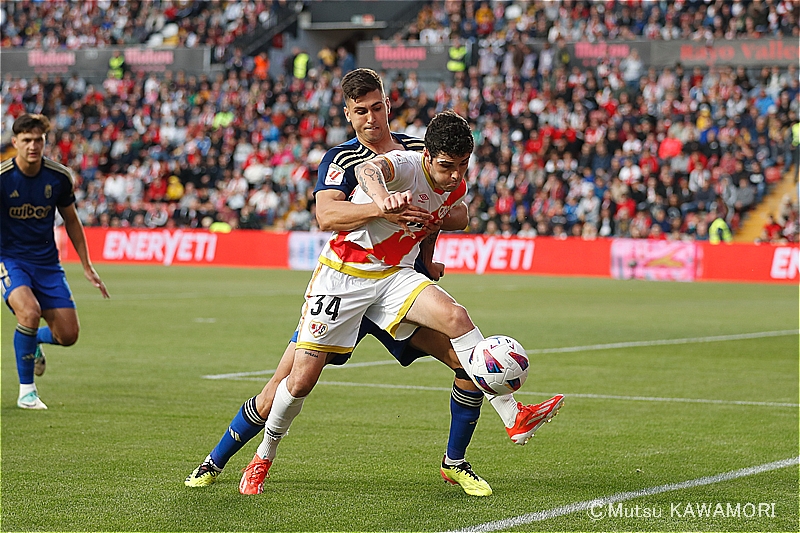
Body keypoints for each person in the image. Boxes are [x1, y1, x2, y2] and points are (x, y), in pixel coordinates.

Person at [185, 70, 562, 497]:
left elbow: (444, 208)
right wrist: (381, 208)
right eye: (360, 111)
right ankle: (230, 459)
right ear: (348, 114)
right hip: (343, 282)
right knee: (292, 383)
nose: (371, 118)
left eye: (377, 107)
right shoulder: (344, 161)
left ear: (388, 104)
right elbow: (328, 216)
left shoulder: (429, 153)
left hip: (394, 282)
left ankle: (469, 451)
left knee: (460, 348)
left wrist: (425, 257)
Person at [1, 114, 110, 410]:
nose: (33, 145)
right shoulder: (2, 178)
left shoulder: (58, 177)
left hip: (47, 264)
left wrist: (86, 265)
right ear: (15, 143)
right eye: (26, 140)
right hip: (10, 260)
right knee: (29, 311)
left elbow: (72, 221)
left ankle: (32, 341)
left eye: (39, 140)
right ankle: (27, 391)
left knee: (68, 335)